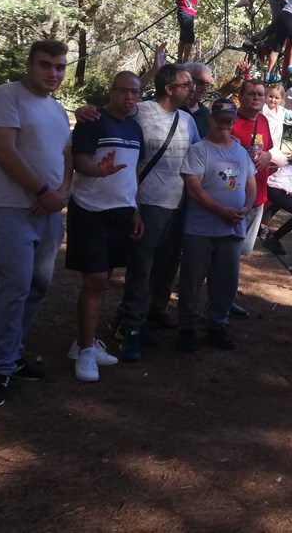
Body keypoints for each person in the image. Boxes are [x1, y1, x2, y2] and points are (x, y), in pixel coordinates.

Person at [0, 40, 72, 408]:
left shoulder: (58, 110)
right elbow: (3, 150)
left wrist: (60, 191)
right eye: (46, 65)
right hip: (5, 206)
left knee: (37, 286)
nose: (53, 73)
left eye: (60, 67)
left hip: (47, 212)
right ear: (29, 64)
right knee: (10, 287)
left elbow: (66, 155)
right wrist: (43, 190)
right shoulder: (6, 96)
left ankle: (10, 355)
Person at [117, 64, 201, 363]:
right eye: (186, 84)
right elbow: (111, 119)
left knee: (160, 269)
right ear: (169, 88)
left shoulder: (188, 121)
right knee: (141, 269)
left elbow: (194, 162)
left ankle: (132, 320)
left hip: (177, 207)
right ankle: (131, 334)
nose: (192, 89)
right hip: (148, 205)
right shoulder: (140, 113)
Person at [65, 71, 144, 382]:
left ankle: (82, 343)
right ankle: (86, 351)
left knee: (105, 278)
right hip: (90, 209)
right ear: (111, 91)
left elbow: (131, 175)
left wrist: (136, 210)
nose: (128, 97)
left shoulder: (135, 128)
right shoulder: (92, 120)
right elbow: (79, 161)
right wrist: (97, 170)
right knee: (95, 280)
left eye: (134, 92)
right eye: (123, 91)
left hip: (122, 212)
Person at [177, 99, 257, 352]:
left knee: (226, 280)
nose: (226, 123)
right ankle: (187, 328)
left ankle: (217, 325)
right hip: (200, 229)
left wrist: (246, 208)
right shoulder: (199, 150)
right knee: (192, 280)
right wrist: (221, 210)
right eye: (221, 118)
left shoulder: (241, 152)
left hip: (232, 228)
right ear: (211, 119)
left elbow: (251, 184)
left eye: (230, 119)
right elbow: (194, 188)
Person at [231, 80, 273, 257]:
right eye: (251, 93)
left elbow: (269, 149)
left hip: (258, 197)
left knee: (242, 251)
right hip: (234, 197)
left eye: (260, 94)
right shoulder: (231, 120)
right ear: (240, 97)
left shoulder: (263, 120)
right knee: (227, 248)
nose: (256, 97)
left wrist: (267, 156)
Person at [261, 82, 292, 168]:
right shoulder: (263, 109)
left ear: (281, 99)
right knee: (283, 164)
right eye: (270, 96)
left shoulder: (281, 111)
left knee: (273, 167)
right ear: (266, 96)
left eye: (277, 98)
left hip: (275, 145)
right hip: (263, 145)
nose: (273, 100)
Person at [170, 0, 206, 64]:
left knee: (184, 37)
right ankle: (185, 60)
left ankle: (180, 59)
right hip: (184, 11)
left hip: (190, 13)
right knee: (190, 38)